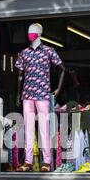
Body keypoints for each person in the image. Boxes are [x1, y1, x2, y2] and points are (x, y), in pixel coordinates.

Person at [15, 23, 65, 172]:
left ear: (40, 33)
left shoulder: (49, 51)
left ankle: (47, 161)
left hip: (43, 94)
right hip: (27, 95)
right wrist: (18, 94)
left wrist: (58, 88)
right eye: (29, 31)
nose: (30, 33)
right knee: (28, 129)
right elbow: (19, 75)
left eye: (33, 31)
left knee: (44, 128)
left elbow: (62, 69)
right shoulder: (23, 53)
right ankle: (28, 161)